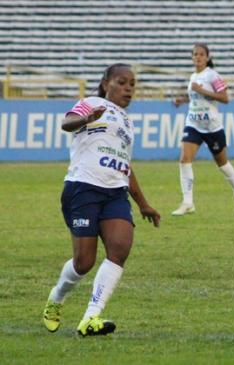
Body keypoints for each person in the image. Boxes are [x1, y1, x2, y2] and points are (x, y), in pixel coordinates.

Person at [42, 63, 161, 337]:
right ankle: (57, 297)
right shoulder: (90, 102)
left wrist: (143, 203)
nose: (128, 88)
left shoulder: (128, 123)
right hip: (83, 188)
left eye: (132, 84)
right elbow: (66, 123)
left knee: (120, 248)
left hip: (115, 192)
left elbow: (126, 166)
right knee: (83, 263)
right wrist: (87, 118)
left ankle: (91, 318)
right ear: (106, 83)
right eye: (122, 82)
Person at [171, 43, 234, 215]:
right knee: (184, 159)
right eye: (195, 54)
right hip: (194, 124)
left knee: (222, 164)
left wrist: (203, 91)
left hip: (212, 127)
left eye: (201, 54)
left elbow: (225, 98)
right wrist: (182, 100)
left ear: (207, 57)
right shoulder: (193, 76)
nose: (197, 57)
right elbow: (195, 98)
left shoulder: (212, 76)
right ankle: (188, 202)